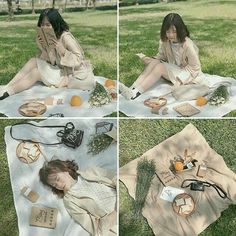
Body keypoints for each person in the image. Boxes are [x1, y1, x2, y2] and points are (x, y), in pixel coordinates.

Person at [0, 8, 95, 100]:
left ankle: (9, 92)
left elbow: (79, 58)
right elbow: (52, 62)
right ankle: (8, 86)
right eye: (42, 24)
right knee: (33, 61)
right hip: (60, 69)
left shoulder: (65, 37)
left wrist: (63, 51)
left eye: (48, 25)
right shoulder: (51, 36)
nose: (44, 27)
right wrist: (42, 46)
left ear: (55, 24)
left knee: (36, 72)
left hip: (69, 74)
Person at [119, 13, 207, 100]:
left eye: (174, 32)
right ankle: (132, 88)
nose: (171, 35)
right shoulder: (165, 41)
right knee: (155, 62)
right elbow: (161, 56)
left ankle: (135, 94)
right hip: (175, 70)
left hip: (188, 76)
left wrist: (179, 81)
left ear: (180, 30)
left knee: (160, 67)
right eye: (168, 32)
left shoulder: (188, 44)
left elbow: (195, 67)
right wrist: (150, 59)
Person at [39, 159, 117, 236]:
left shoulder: (91, 172)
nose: (58, 185)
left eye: (57, 179)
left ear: (65, 170)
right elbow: (96, 229)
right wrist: (116, 211)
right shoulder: (70, 202)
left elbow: (117, 177)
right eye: (54, 185)